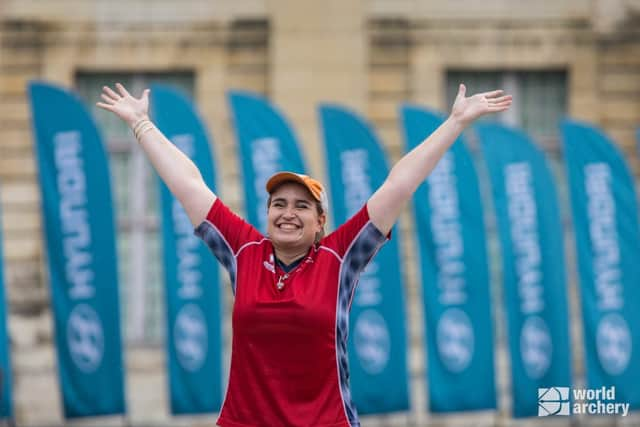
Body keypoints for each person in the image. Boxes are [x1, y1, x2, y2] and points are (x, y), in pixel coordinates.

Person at [97, 82, 511, 427]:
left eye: (301, 206)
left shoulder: (340, 256)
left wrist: (455, 122)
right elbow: (188, 183)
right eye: (279, 204)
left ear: (320, 222)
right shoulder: (244, 250)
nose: (287, 213)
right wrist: (140, 123)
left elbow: (399, 185)